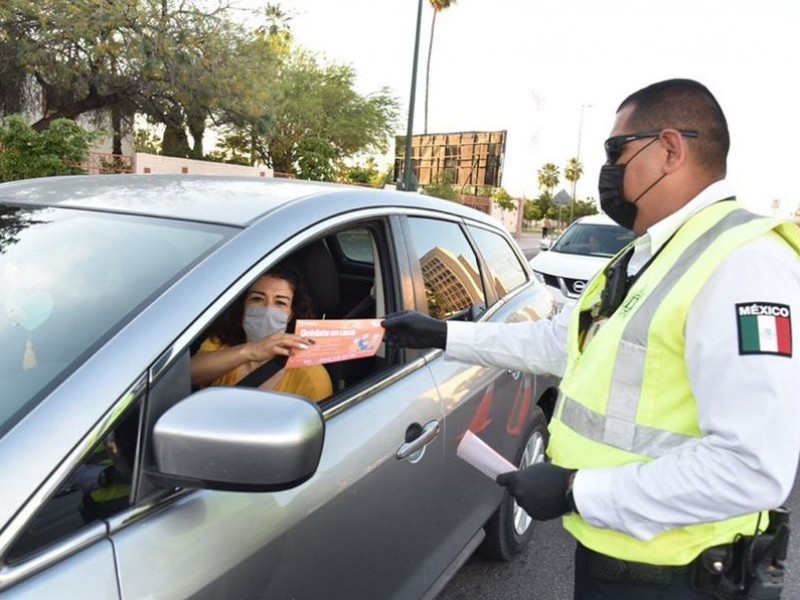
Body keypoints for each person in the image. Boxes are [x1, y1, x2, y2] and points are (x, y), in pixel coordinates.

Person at [382, 79, 800, 599]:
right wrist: (444, 333)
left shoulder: (743, 263)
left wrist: (577, 490)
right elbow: (559, 344)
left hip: (681, 578)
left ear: (670, 149)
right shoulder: (644, 256)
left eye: (615, 150)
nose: (609, 170)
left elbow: (752, 468)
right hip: (619, 556)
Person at [191, 263, 333, 403]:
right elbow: (190, 375)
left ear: (290, 314)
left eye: (280, 303)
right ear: (243, 306)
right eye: (257, 299)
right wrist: (251, 351)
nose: (267, 309)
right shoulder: (220, 343)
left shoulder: (310, 374)